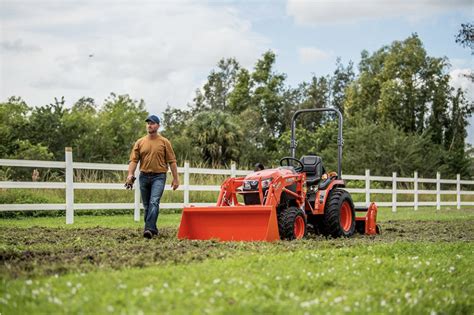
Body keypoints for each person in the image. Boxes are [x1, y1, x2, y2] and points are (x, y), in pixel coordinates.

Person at [126, 114, 179, 239]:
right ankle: (152, 229)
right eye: (148, 123)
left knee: (154, 202)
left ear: (158, 126)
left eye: (152, 123)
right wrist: (130, 175)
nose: (149, 125)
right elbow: (133, 160)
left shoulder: (165, 142)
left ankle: (148, 229)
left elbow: (172, 161)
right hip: (144, 176)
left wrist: (176, 178)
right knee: (147, 205)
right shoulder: (140, 142)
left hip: (159, 177)